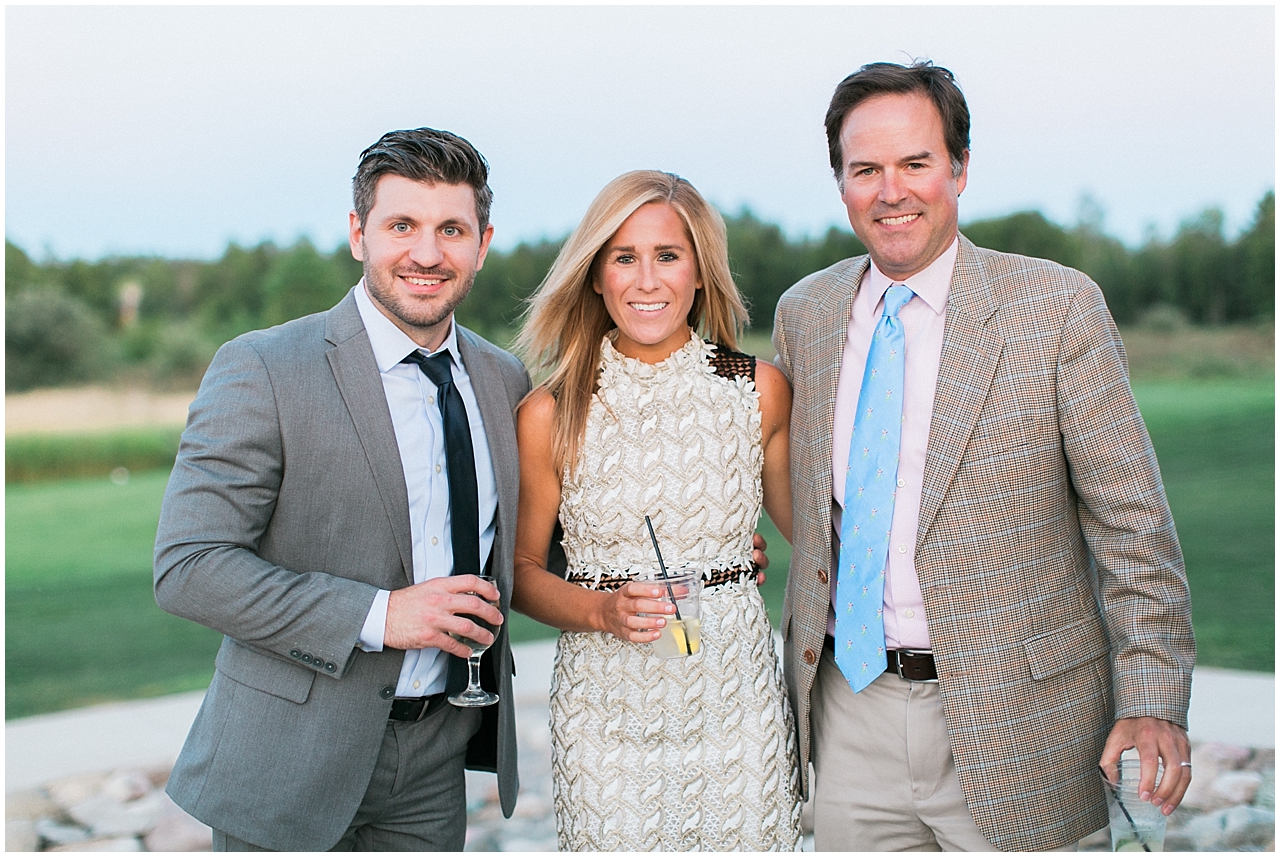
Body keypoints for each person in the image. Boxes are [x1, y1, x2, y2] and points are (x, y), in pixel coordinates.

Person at [773, 61, 1195, 852]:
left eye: (915, 163)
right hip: (849, 709)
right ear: (840, 184)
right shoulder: (807, 312)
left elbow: (1133, 526)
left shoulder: (1058, 306)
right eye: (866, 169)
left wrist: (1153, 695)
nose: (891, 190)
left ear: (959, 168)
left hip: (1023, 721)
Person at [153, 128, 529, 851]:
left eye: (451, 228)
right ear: (359, 234)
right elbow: (188, 568)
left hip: (434, 763)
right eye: (402, 226)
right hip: (287, 757)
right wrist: (381, 614)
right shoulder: (263, 367)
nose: (426, 253)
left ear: (482, 244)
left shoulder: (503, 379)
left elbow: (533, 541)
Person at [511, 170, 803, 851]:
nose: (646, 281)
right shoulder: (551, 411)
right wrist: (599, 610)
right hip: (605, 720)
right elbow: (522, 573)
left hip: (737, 710)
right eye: (624, 257)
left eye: (667, 256)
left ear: (701, 271)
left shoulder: (756, 387)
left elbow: (816, 538)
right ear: (595, 276)